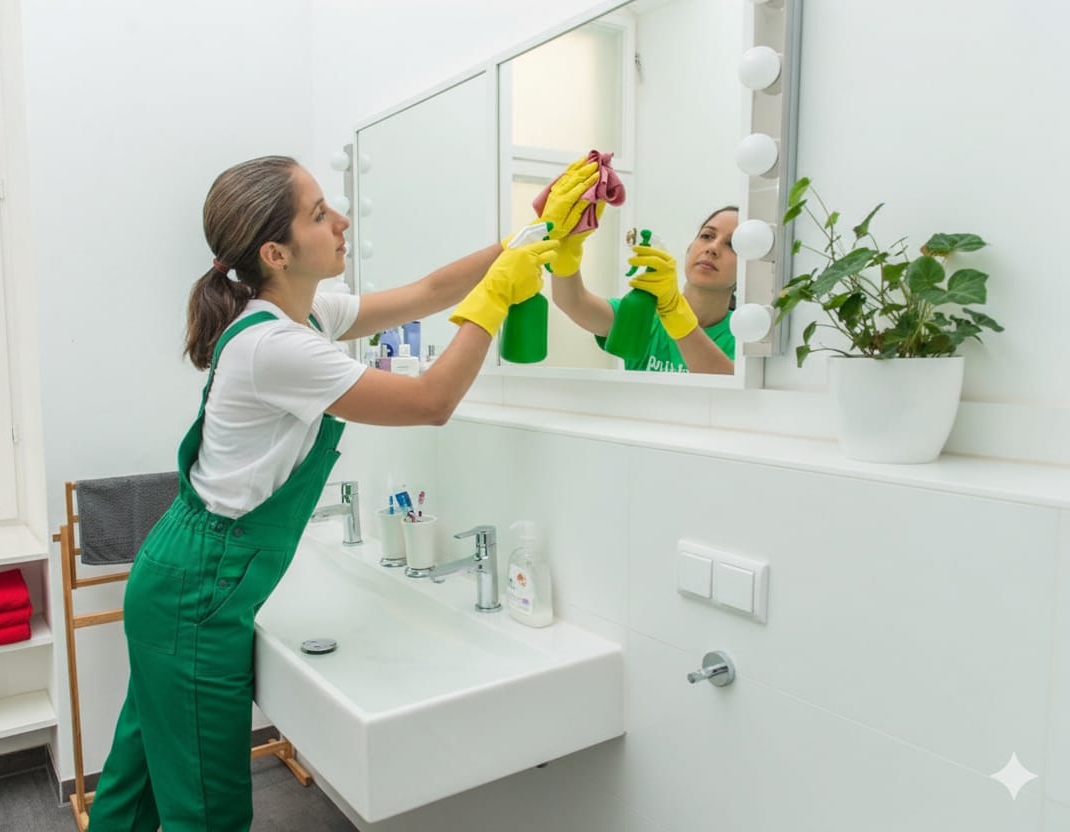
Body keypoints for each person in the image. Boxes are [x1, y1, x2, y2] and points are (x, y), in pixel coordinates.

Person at [85, 154, 598, 832]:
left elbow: (429, 289)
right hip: (196, 591)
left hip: (181, 575)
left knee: (138, 780)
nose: (342, 221)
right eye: (320, 212)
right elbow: (431, 400)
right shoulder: (276, 348)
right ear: (275, 251)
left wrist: (532, 238)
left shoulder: (301, 315)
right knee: (205, 812)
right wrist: (498, 296)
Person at [549, 205, 739, 374]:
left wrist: (675, 312)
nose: (712, 248)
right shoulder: (644, 315)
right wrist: (566, 252)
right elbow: (572, 301)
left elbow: (726, 384)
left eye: (732, 245)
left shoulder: (744, 335)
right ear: (690, 248)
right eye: (707, 236)